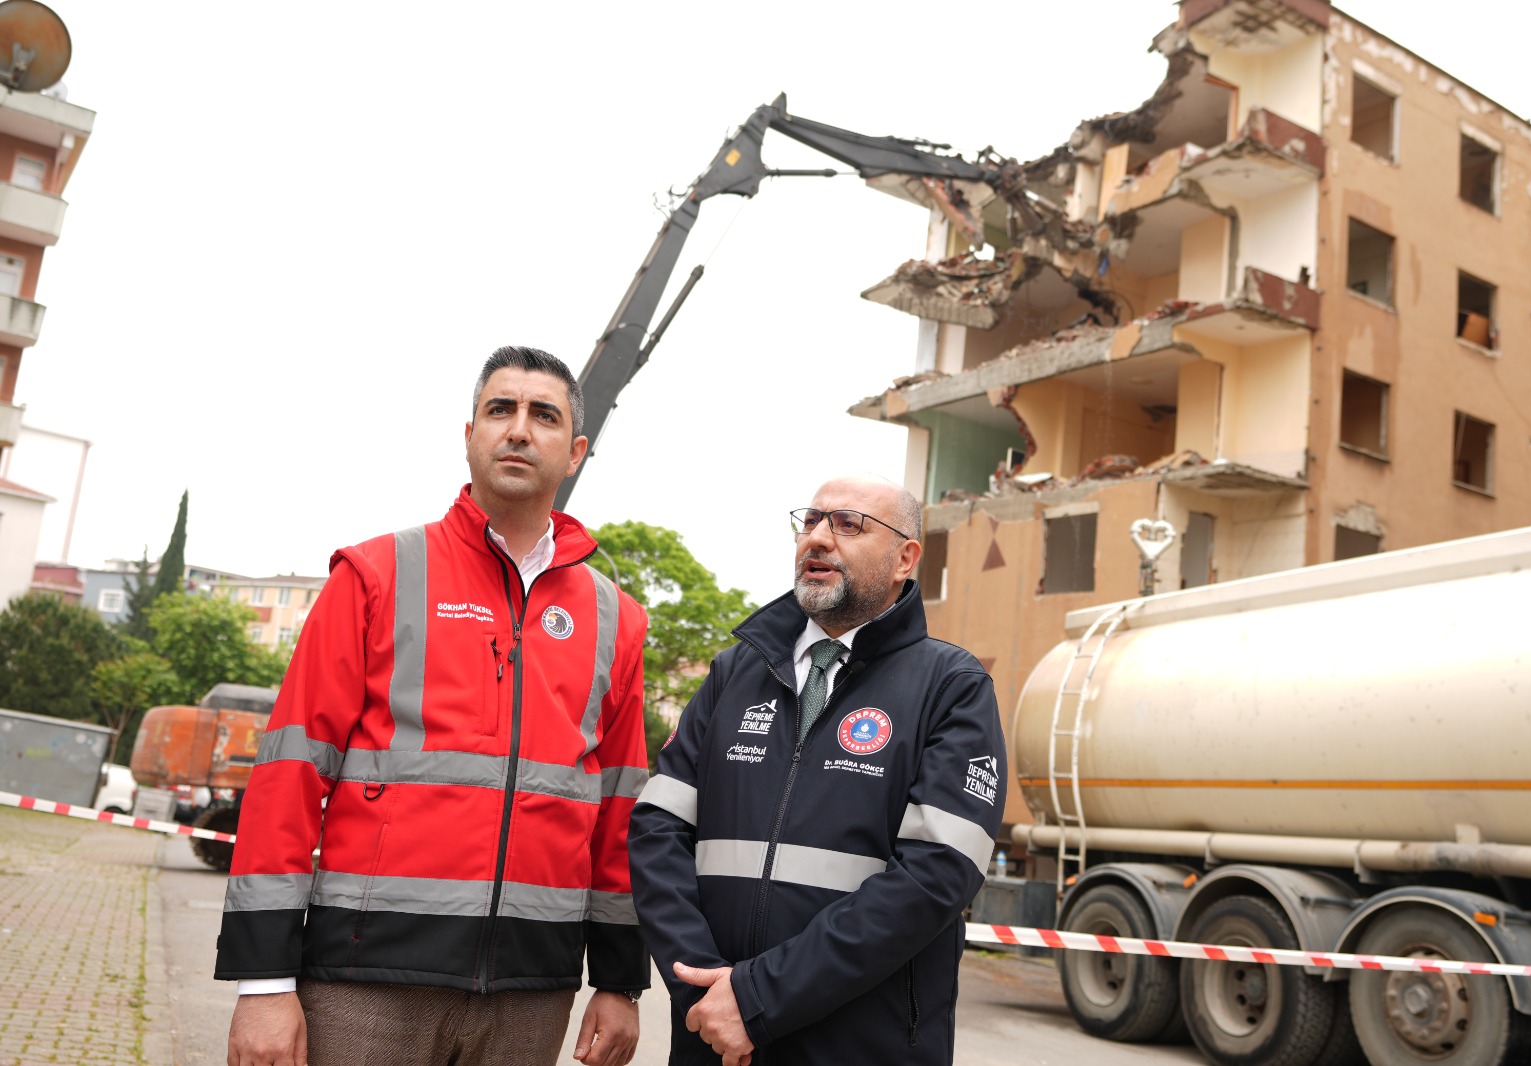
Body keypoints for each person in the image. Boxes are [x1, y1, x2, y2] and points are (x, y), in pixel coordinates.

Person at [217, 346, 650, 1066]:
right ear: (470, 433)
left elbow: (619, 811)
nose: (518, 429)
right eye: (499, 410)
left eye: (543, 415)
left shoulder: (616, 619)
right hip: (364, 981)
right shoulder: (376, 574)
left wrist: (618, 979)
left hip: (529, 993)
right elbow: (289, 777)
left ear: (574, 452)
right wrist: (263, 980)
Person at [629, 475, 1006, 1065]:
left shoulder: (952, 688)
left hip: (861, 1045)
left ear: (905, 557)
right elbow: (657, 831)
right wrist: (706, 992)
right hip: (713, 1035)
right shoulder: (733, 673)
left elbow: (935, 876)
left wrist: (758, 999)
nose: (819, 539)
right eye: (811, 522)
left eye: (849, 524)